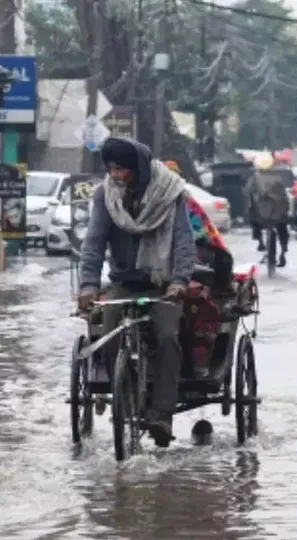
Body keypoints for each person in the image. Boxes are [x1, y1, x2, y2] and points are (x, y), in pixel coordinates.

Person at [77, 137, 196, 447]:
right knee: (107, 333)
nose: (116, 175)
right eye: (111, 169)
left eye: (122, 170)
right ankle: (125, 396)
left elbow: (184, 240)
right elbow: (93, 243)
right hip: (122, 282)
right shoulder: (107, 194)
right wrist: (88, 285)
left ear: (138, 169)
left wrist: (180, 280)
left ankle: (161, 415)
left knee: (168, 338)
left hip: (162, 284)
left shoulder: (170, 192)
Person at [247, 168, 291, 266]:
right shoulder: (277, 179)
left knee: (253, 218)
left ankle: (261, 241)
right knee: (282, 229)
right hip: (277, 215)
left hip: (264, 215)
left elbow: (250, 193)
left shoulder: (255, 179)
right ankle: (282, 250)